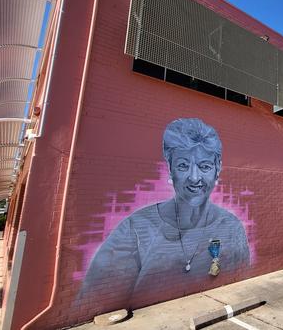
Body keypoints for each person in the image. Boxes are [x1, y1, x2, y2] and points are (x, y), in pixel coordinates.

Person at [79, 118, 250, 308]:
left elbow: (241, 286)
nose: (194, 178)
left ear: (218, 168)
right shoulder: (135, 229)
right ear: (170, 169)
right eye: (183, 166)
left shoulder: (232, 228)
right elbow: (94, 302)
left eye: (205, 166)